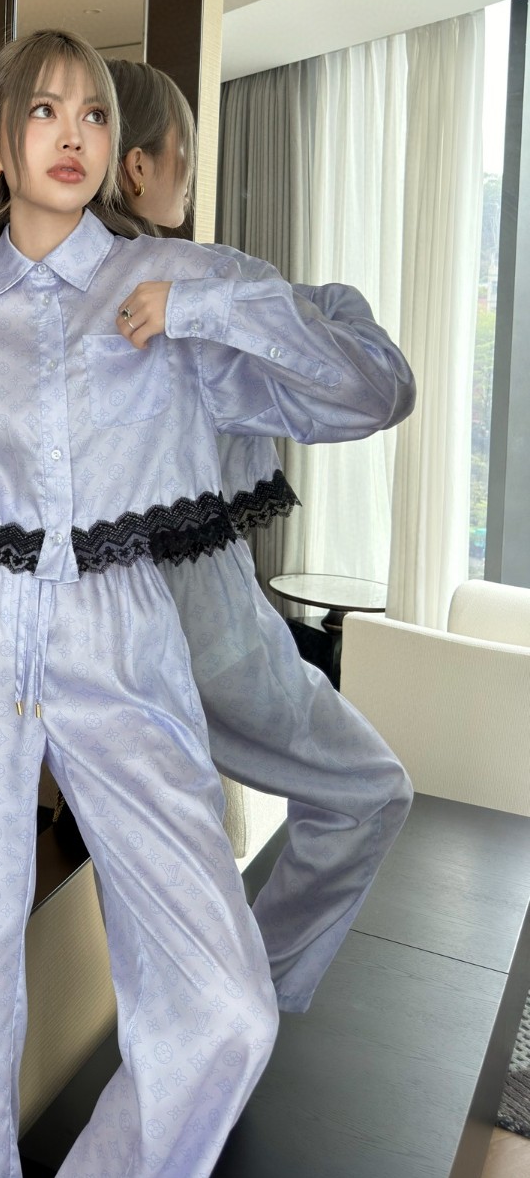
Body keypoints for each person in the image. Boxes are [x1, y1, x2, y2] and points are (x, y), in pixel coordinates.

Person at [0, 29, 414, 1178]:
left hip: (122, 636)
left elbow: (373, 390)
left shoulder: (168, 283)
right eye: (43, 111)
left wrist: (207, 306)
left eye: (95, 114)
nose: (73, 135)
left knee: (226, 1007)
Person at [85, 58, 415, 1011]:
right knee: (368, 790)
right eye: (183, 157)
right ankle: (252, 996)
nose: (190, 179)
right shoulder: (198, 282)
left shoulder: (42, 288)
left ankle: (200, 1031)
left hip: (86, 633)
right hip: (198, 615)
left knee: (150, 891)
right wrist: (254, 302)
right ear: (139, 167)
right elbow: (376, 386)